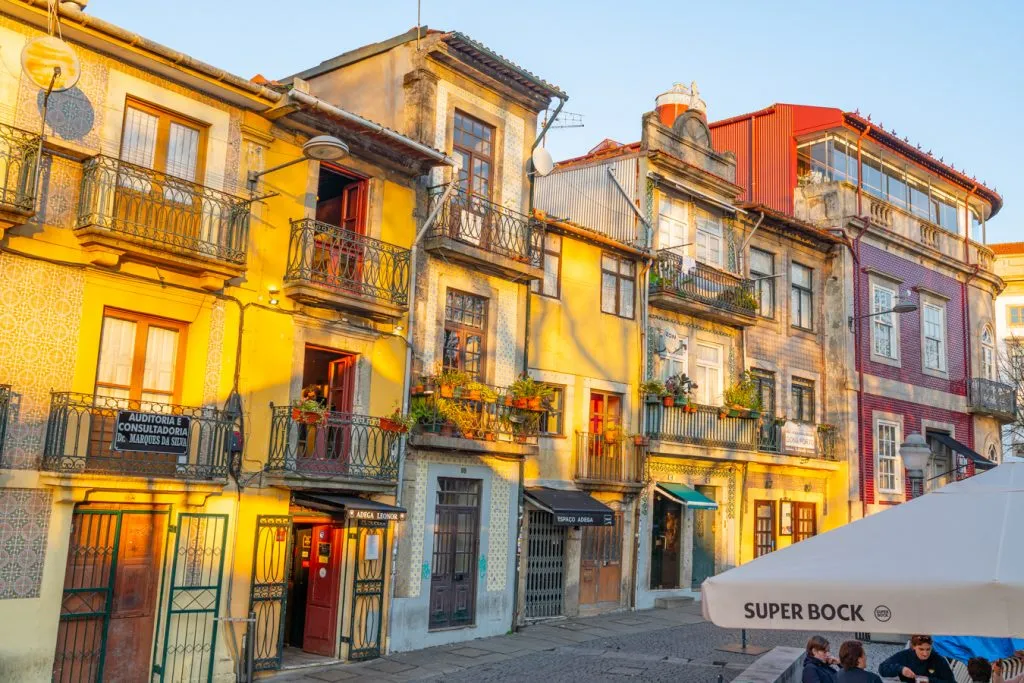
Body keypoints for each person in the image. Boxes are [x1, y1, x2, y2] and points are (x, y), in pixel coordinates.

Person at [879, 635, 956, 683]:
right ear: (914, 647)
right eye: (921, 649)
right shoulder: (905, 655)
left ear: (932, 646)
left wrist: (929, 680)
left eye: (928, 649)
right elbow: (882, 668)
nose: (925, 653)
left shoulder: (938, 660)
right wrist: (901, 669)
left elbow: (951, 682)